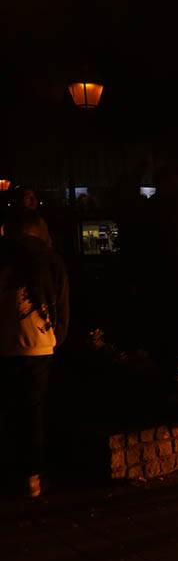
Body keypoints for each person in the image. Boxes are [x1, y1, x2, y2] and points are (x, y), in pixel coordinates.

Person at [0, 210, 68, 498]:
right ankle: (33, 476)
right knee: (34, 410)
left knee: (9, 408)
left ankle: (13, 469)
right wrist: (57, 335)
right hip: (40, 342)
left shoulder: (4, 259)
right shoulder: (49, 259)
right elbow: (62, 303)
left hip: (4, 342)